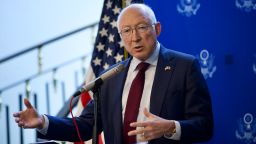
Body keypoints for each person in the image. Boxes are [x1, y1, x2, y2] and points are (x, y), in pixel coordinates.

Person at [13, 3, 213, 144]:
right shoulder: (111, 76)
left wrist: (171, 127)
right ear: (121, 36)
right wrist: (43, 121)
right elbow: (85, 125)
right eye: (126, 31)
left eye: (142, 27)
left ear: (157, 28)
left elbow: (205, 126)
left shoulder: (184, 67)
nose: (134, 37)